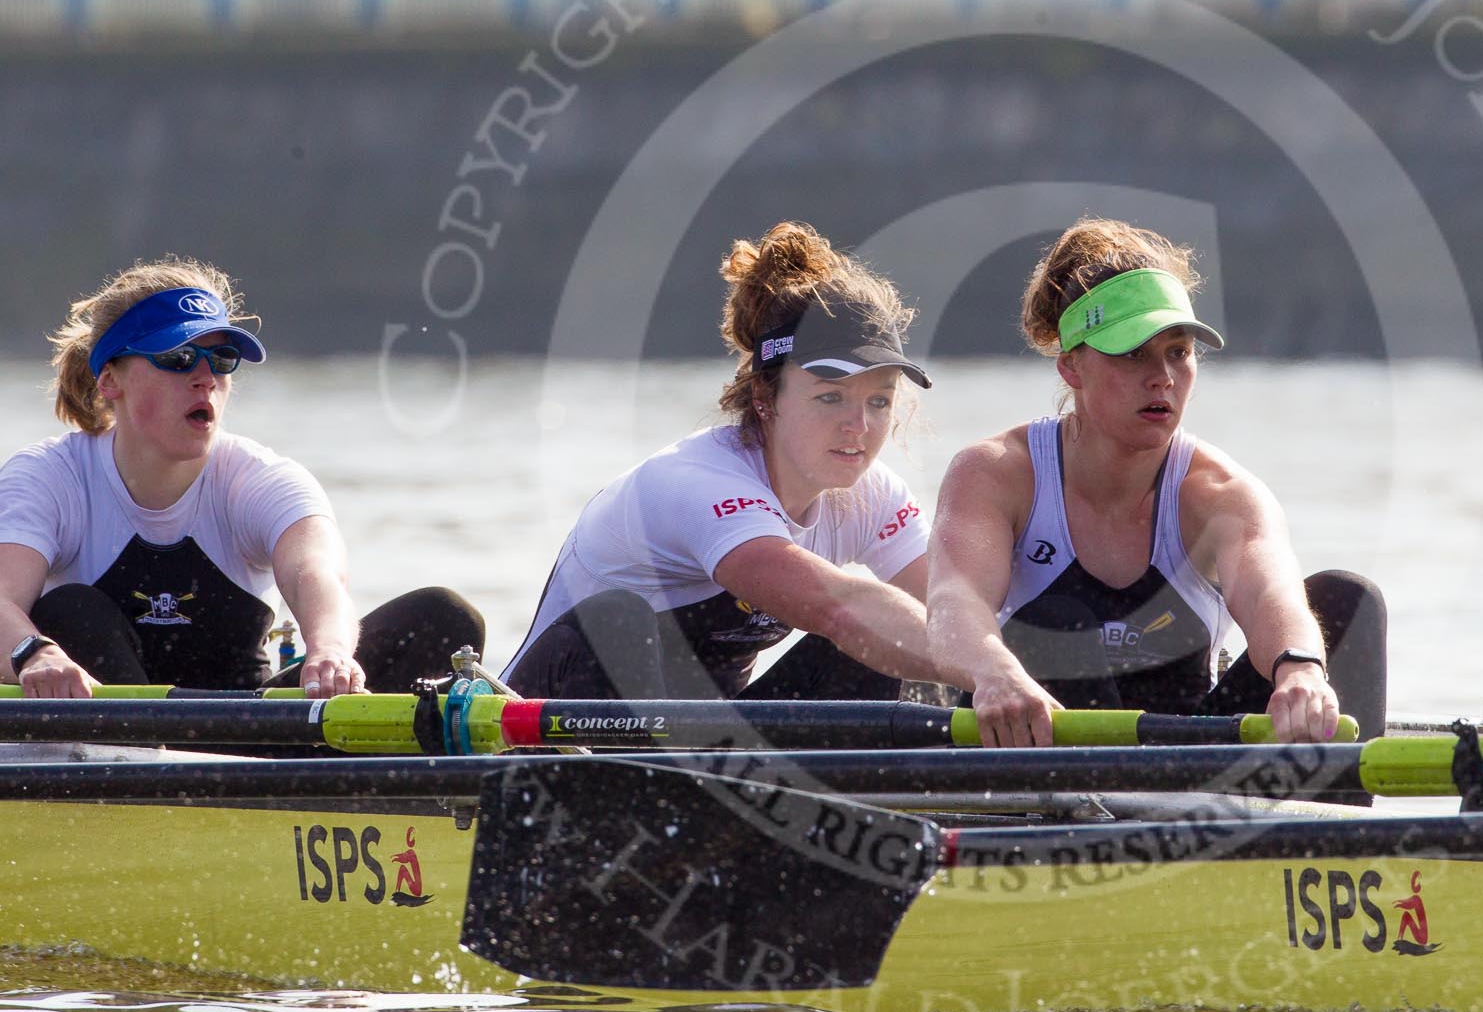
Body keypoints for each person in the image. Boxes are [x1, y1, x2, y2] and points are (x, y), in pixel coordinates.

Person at [928, 218, 1386, 748]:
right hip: (1038, 746)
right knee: (1057, 620)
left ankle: (1331, 824)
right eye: (1131, 354)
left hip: (1186, 764)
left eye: (1178, 352)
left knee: (1346, 601)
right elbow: (951, 604)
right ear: (1072, 367)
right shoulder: (994, 473)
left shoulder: (1222, 493)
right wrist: (993, 672)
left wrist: (1301, 669)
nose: (1163, 378)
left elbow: (1270, 596)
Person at [502, 222, 972, 701]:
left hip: (703, 748)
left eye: (879, 401)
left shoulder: (873, 496)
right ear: (765, 396)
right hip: (547, 727)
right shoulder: (698, 482)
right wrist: (989, 674)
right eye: (831, 397)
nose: (860, 427)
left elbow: (960, 613)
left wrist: (1019, 676)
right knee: (869, 626)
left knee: (891, 648)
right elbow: (840, 610)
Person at [0, 258, 483, 700]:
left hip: (246, 738)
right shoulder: (49, 478)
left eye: (221, 358)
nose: (205, 377)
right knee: (69, 609)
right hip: (114, 740)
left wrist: (331, 651)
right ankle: (141, 765)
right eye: (178, 358)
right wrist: (34, 655)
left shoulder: (263, 480)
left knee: (445, 617)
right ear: (110, 379)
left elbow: (317, 573)